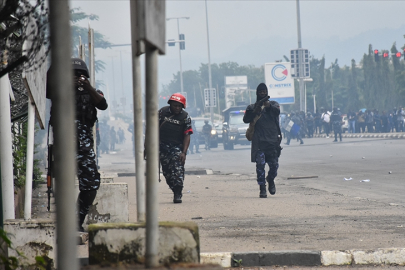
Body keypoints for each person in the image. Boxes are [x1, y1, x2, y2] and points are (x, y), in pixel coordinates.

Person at [47, 58, 108, 232]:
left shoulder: (93, 92)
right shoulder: (59, 91)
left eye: (80, 75)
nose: (77, 78)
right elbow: (48, 90)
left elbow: (103, 105)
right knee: (61, 185)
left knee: (91, 184)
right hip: (63, 147)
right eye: (73, 74)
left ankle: (77, 220)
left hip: (84, 148)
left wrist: (87, 87)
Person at [243, 83, 282, 198]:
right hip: (259, 142)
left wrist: (267, 105)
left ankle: (270, 180)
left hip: (272, 142)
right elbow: (246, 119)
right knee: (260, 166)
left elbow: (277, 112)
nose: (262, 93)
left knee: (274, 166)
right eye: (260, 92)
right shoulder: (251, 107)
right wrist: (256, 109)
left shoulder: (274, 105)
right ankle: (262, 188)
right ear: (257, 93)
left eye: (264, 92)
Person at [158, 93, 193, 203]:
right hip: (162, 147)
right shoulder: (162, 113)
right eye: (175, 105)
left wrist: (184, 152)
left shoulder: (185, 117)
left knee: (177, 171)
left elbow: (187, 135)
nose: (177, 108)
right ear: (170, 105)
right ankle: (174, 188)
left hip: (177, 148)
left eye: (179, 106)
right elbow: (152, 129)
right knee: (167, 173)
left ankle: (178, 193)